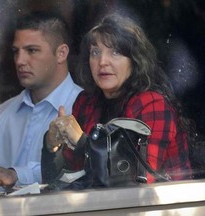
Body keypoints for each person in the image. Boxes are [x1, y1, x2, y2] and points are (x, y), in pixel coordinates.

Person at [42, 13, 193, 186]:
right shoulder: (86, 102)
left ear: (134, 61)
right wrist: (51, 146)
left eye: (115, 52)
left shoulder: (152, 104)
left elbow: (137, 182)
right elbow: (67, 175)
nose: (102, 62)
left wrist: (83, 142)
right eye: (95, 52)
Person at [0, 11, 82, 188]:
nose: (20, 60)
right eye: (16, 52)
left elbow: (82, 173)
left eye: (31, 50)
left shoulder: (87, 109)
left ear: (61, 53)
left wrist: (14, 175)